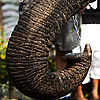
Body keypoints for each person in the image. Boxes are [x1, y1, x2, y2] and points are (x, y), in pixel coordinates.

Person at [72, 0, 100, 100]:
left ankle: (95, 92)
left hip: (98, 22)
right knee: (79, 57)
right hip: (82, 23)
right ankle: (78, 93)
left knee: (98, 58)